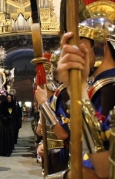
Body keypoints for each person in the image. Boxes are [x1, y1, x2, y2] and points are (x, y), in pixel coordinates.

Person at [54, 16, 115, 179]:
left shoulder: (109, 87)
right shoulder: (99, 85)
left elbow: (105, 169)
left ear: (103, 46)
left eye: (82, 43)